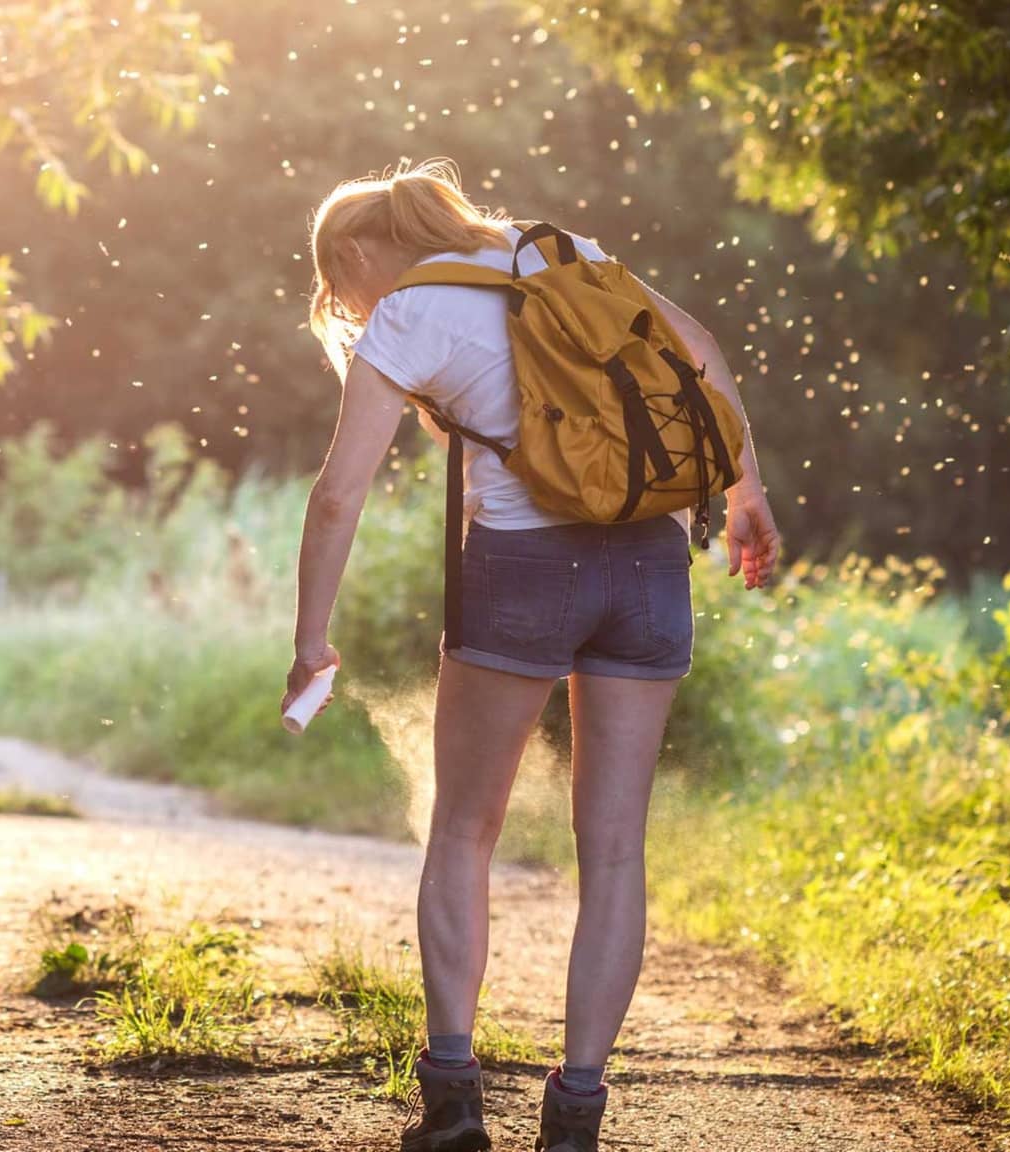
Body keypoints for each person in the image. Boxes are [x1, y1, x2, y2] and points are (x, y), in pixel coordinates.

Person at [282, 160, 780, 1152]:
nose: (346, 306)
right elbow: (702, 348)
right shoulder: (561, 254)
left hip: (519, 569)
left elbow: (339, 493)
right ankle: (575, 1115)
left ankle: (454, 1104)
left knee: (464, 829)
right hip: (647, 564)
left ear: (353, 255)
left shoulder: (409, 314)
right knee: (613, 850)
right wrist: (744, 494)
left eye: (339, 290)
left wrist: (309, 641)